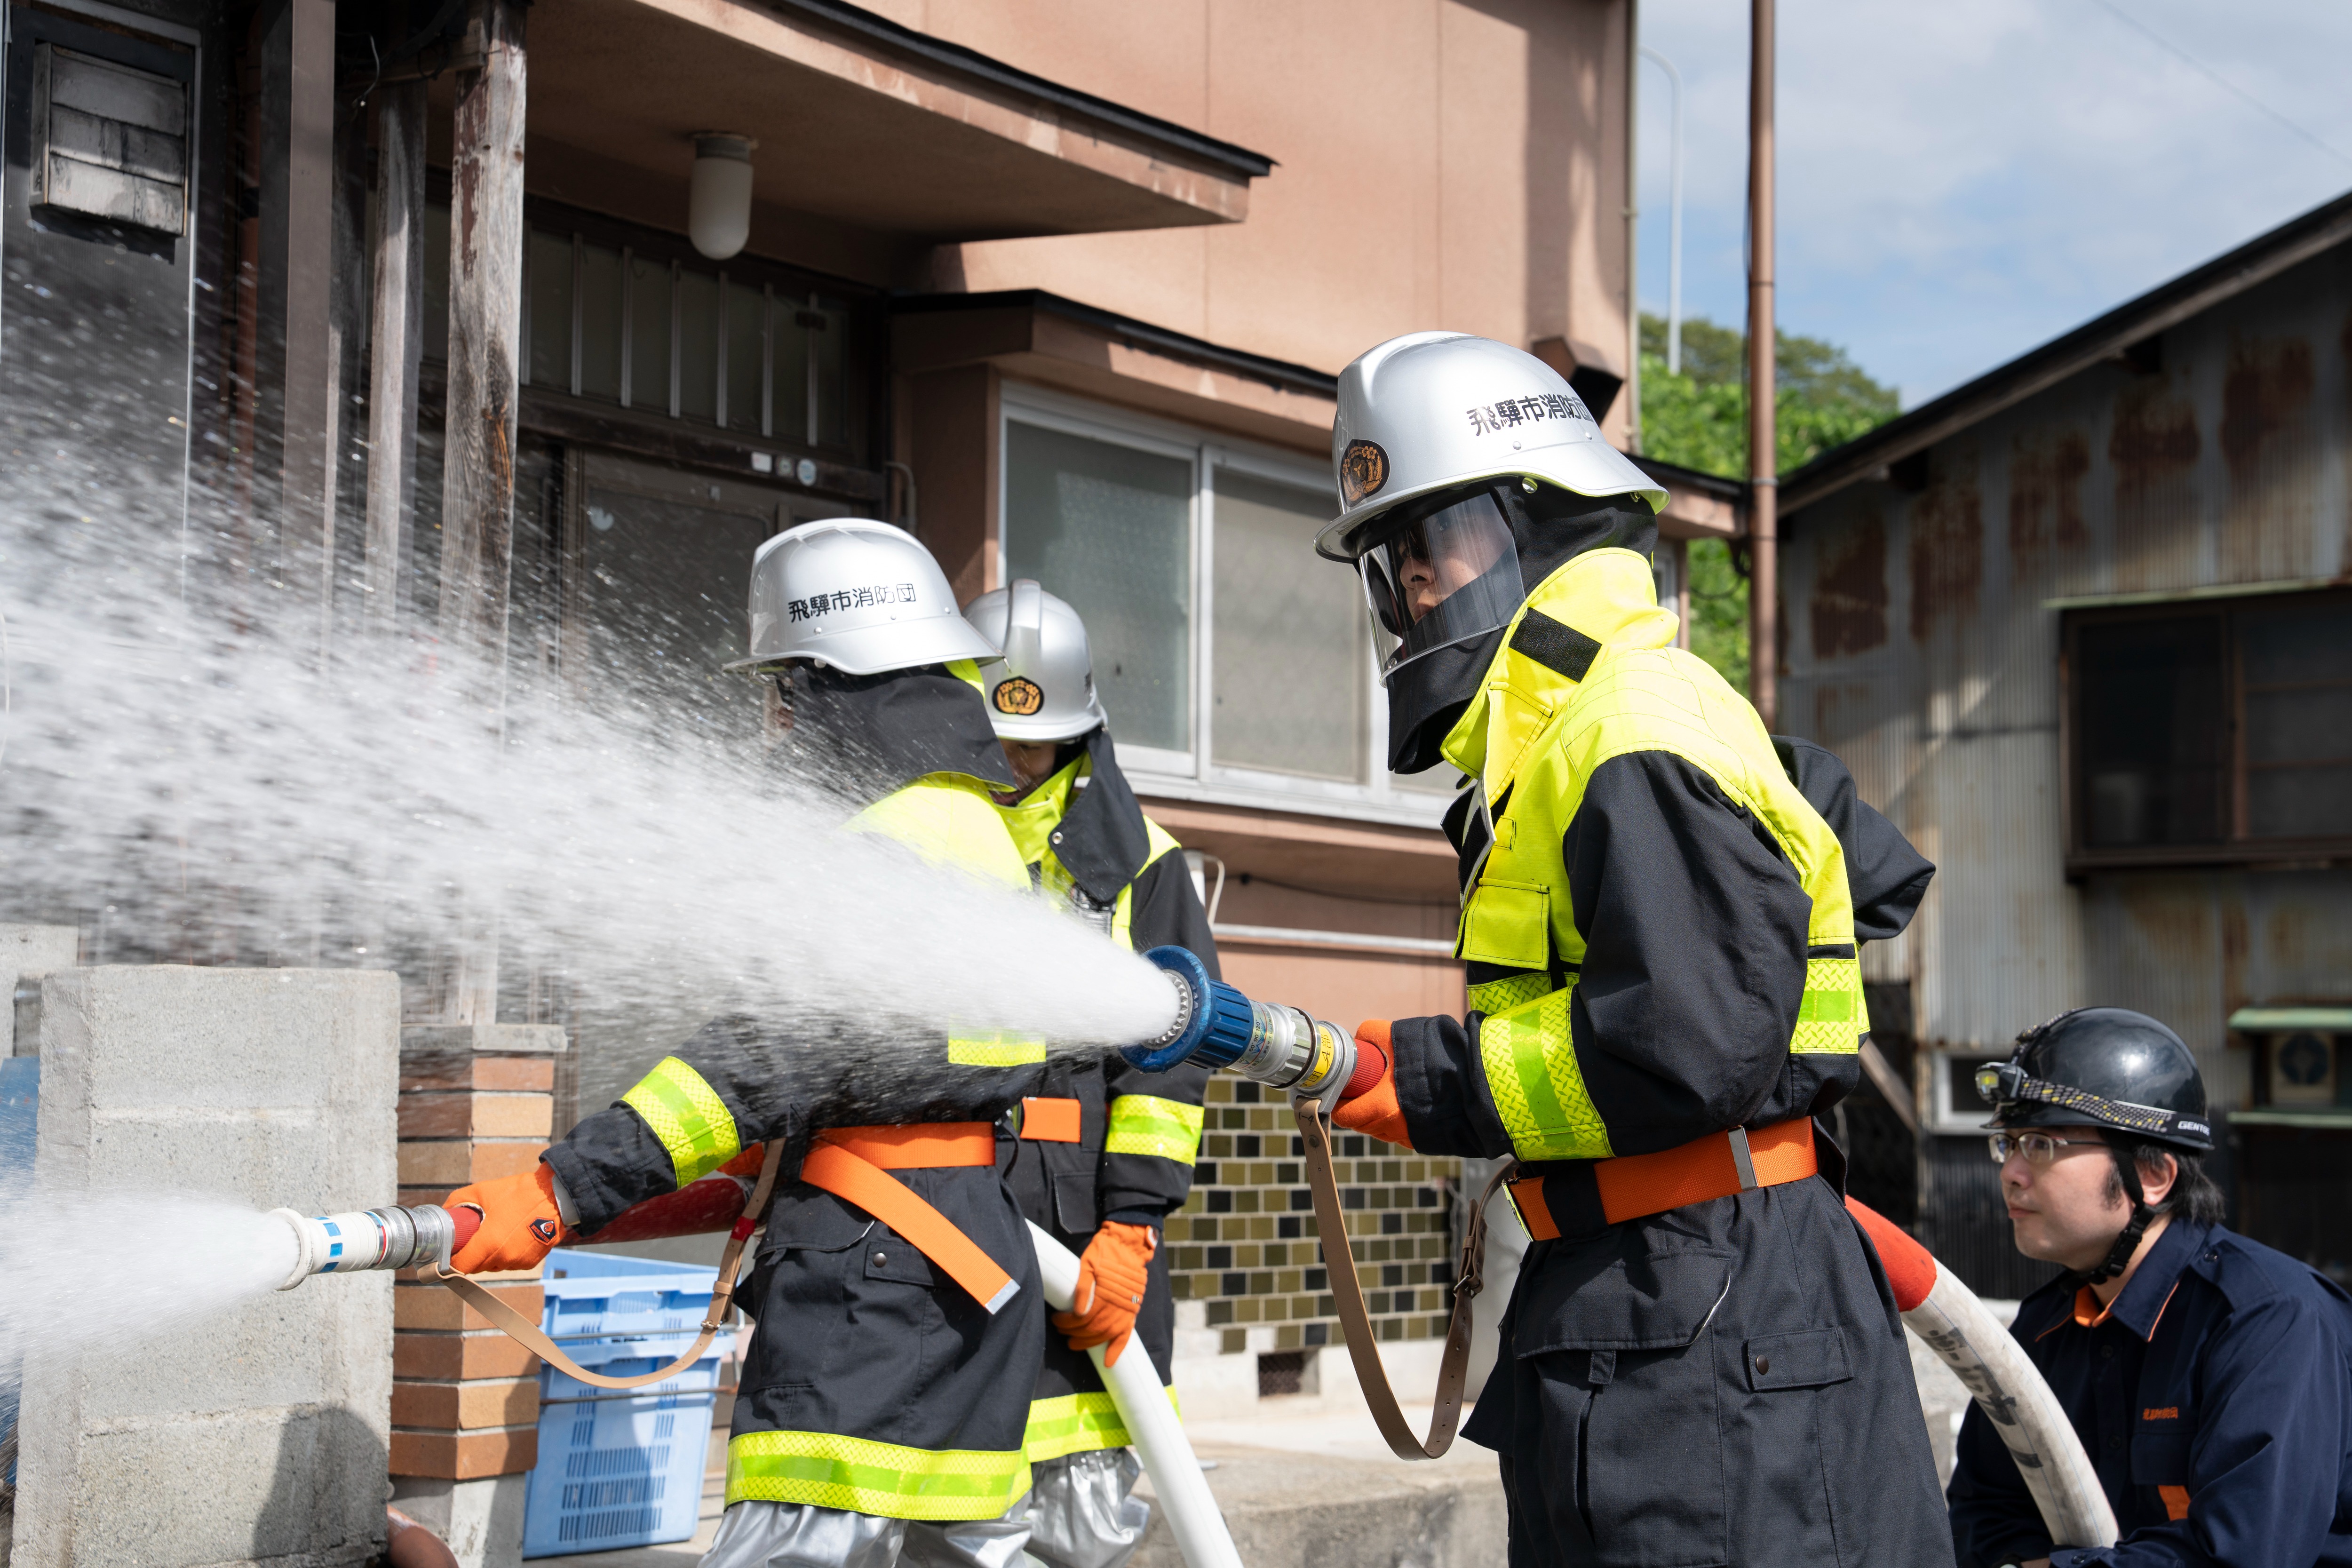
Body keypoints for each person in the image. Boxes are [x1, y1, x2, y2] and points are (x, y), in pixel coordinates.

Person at [1313, 331, 1954, 1566]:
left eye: (1427, 551)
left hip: (1703, 1312)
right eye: (1393, 568)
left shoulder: (1627, 730)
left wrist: (1435, 1077)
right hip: (1665, 1301)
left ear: (1529, 525)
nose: (1414, 597)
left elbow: (1692, 1041)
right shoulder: (1580, 738)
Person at [444, 518, 1086, 1568]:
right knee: (962, 1547)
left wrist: (558, 1191)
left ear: (839, 686)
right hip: (977, 1260)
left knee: (797, 1543)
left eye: (787, 692)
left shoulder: (877, 843)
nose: (778, 726)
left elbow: (752, 1062)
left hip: (868, 1283)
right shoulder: (970, 820)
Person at [961, 579, 1217, 1568]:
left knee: (1075, 1509)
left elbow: (1172, 1061)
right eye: (995, 741)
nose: (1014, 765)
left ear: (1079, 736)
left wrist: (1132, 1225)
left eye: (1035, 743)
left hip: (1082, 1240)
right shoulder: (931, 842)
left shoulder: (1142, 867)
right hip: (946, 1222)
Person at [1947, 1008, 2352, 1568]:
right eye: (2008, 1143)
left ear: (2153, 1175)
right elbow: (1982, 1514)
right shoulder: (2045, 1330)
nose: (2010, 1173)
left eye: (2040, 1144)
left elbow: (2244, 1556)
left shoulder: (2267, 1320)